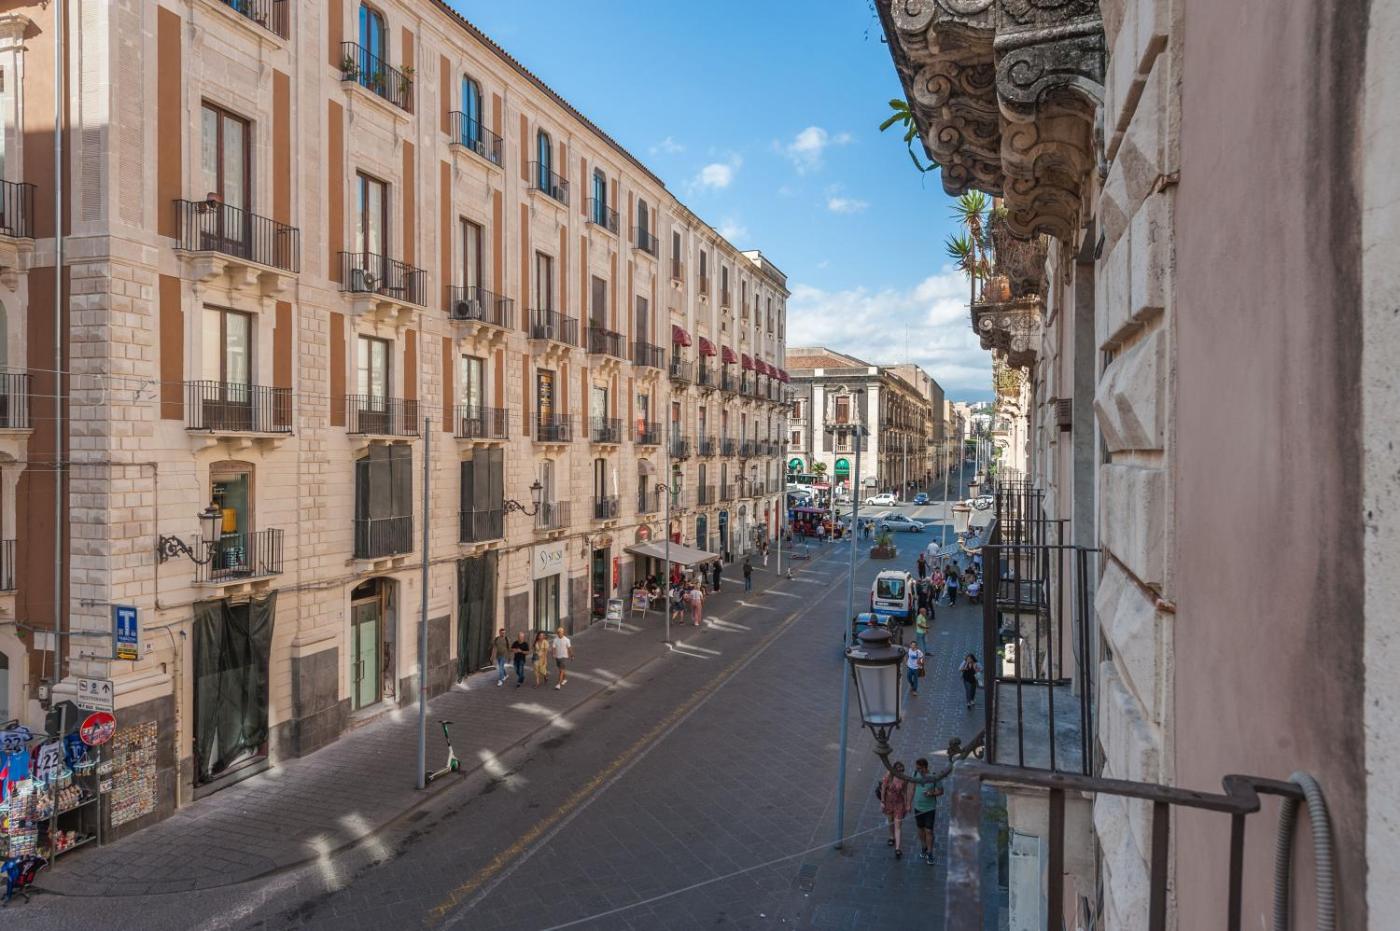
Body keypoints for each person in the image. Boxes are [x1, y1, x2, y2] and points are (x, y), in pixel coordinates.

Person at [878, 763, 915, 859]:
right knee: (891, 822)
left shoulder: (904, 779)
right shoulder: (888, 776)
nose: (901, 773)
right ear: (894, 770)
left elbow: (905, 791)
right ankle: (891, 836)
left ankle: (898, 848)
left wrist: (907, 804)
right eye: (899, 771)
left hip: (899, 803)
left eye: (902, 771)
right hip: (889, 802)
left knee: (898, 825)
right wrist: (882, 801)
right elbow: (883, 788)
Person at [912, 758, 944, 864]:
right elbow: (912, 789)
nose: (917, 770)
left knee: (929, 831)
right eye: (917, 768)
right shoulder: (915, 774)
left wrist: (932, 793)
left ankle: (930, 853)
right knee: (920, 829)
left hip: (930, 808)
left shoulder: (934, 777)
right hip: (918, 807)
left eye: (919, 768)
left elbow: (941, 791)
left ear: (925, 767)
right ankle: (924, 846)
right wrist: (908, 803)